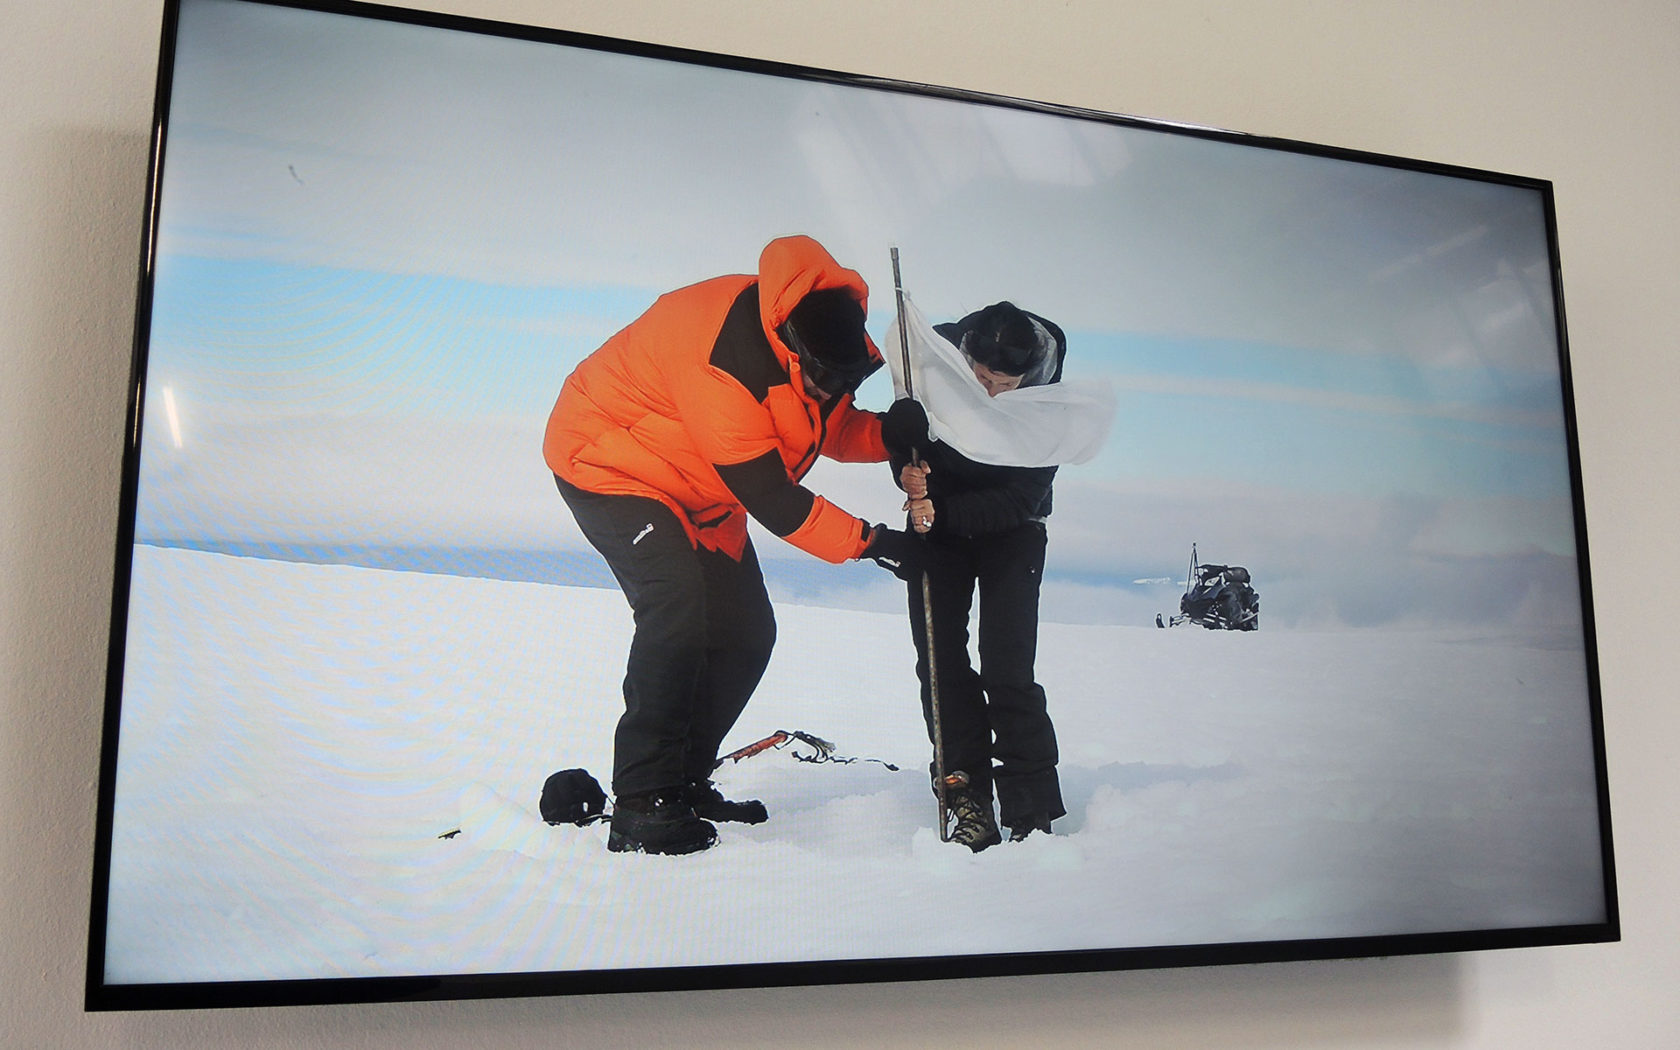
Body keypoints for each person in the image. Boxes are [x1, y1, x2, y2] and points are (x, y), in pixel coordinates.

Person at [544, 235, 921, 855]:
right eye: (825, 376)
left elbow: (823, 422)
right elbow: (774, 498)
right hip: (610, 464)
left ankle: (685, 781)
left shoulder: (815, 334)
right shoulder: (723, 361)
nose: (831, 386)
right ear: (791, 345)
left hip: (699, 486)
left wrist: (887, 435)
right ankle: (643, 801)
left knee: (747, 632)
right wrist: (874, 543)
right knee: (677, 608)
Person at [883, 300, 1069, 851]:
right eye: (981, 378)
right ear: (964, 354)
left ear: (1026, 376)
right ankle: (965, 793)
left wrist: (941, 511)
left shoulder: (1053, 405)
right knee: (941, 662)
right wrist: (905, 461)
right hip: (936, 525)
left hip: (1012, 530)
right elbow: (905, 438)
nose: (988, 392)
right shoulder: (932, 363)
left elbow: (1020, 499)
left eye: (1003, 384)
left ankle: (1030, 806)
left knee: (1007, 665)